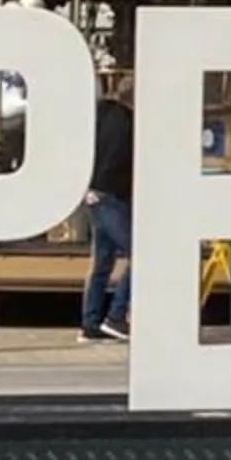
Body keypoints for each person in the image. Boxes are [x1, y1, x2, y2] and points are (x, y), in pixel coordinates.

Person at [81, 74, 135, 343]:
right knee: (143, 255)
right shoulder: (132, 123)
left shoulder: (99, 114)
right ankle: (116, 316)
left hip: (93, 193)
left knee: (101, 263)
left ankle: (89, 324)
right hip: (113, 196)